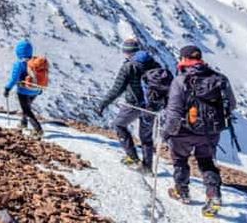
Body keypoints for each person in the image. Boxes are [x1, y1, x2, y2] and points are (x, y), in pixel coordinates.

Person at [163, 45, 237, 217]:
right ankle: (214, 196)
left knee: (180, 159)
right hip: (210, 132)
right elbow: (231, 104)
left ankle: (182, 191)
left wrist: (166, 133)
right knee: (206, 162)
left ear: (184, 59)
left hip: (183, 131)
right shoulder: (220, 78)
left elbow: (173, 112)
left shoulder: (180, 81)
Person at [95, 37, 162, 173]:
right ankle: (147, 167)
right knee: (146, 137)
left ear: (126, 52)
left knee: (119, 125)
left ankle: (132, 157)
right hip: (152, 106)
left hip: (134, 104)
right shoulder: (154, 64)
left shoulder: (128, 67)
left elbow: (116, 89)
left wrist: (103, 104)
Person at [3, 39, 43, 139]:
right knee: (27, 106)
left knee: (26, 110)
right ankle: (23, 123)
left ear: (18, 51)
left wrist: (7, 88)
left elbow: (14, 79)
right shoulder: (36, 62)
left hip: (24, 91)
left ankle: (38, 130)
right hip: (36, 90)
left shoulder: (19, 64)